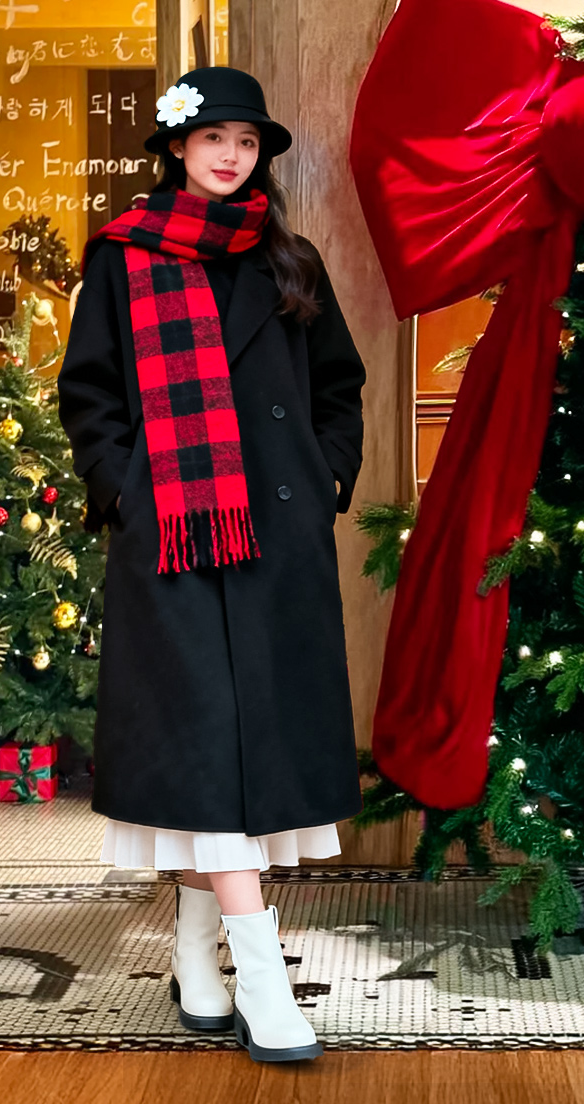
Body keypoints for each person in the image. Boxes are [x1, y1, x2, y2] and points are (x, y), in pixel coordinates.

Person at [57, 65, 366, 1064]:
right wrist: (129, 490)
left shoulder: (290, 259)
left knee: (234, 761)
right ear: (177, 149)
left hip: (276, 539)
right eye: (213, 138)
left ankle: (196, 957)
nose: (231, 156)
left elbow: (339, 385)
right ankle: (264, 978)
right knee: (207, 750)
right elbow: (89, 392)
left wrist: (325, 475)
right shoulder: (124, 256)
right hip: (175, 542)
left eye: (247, 141)